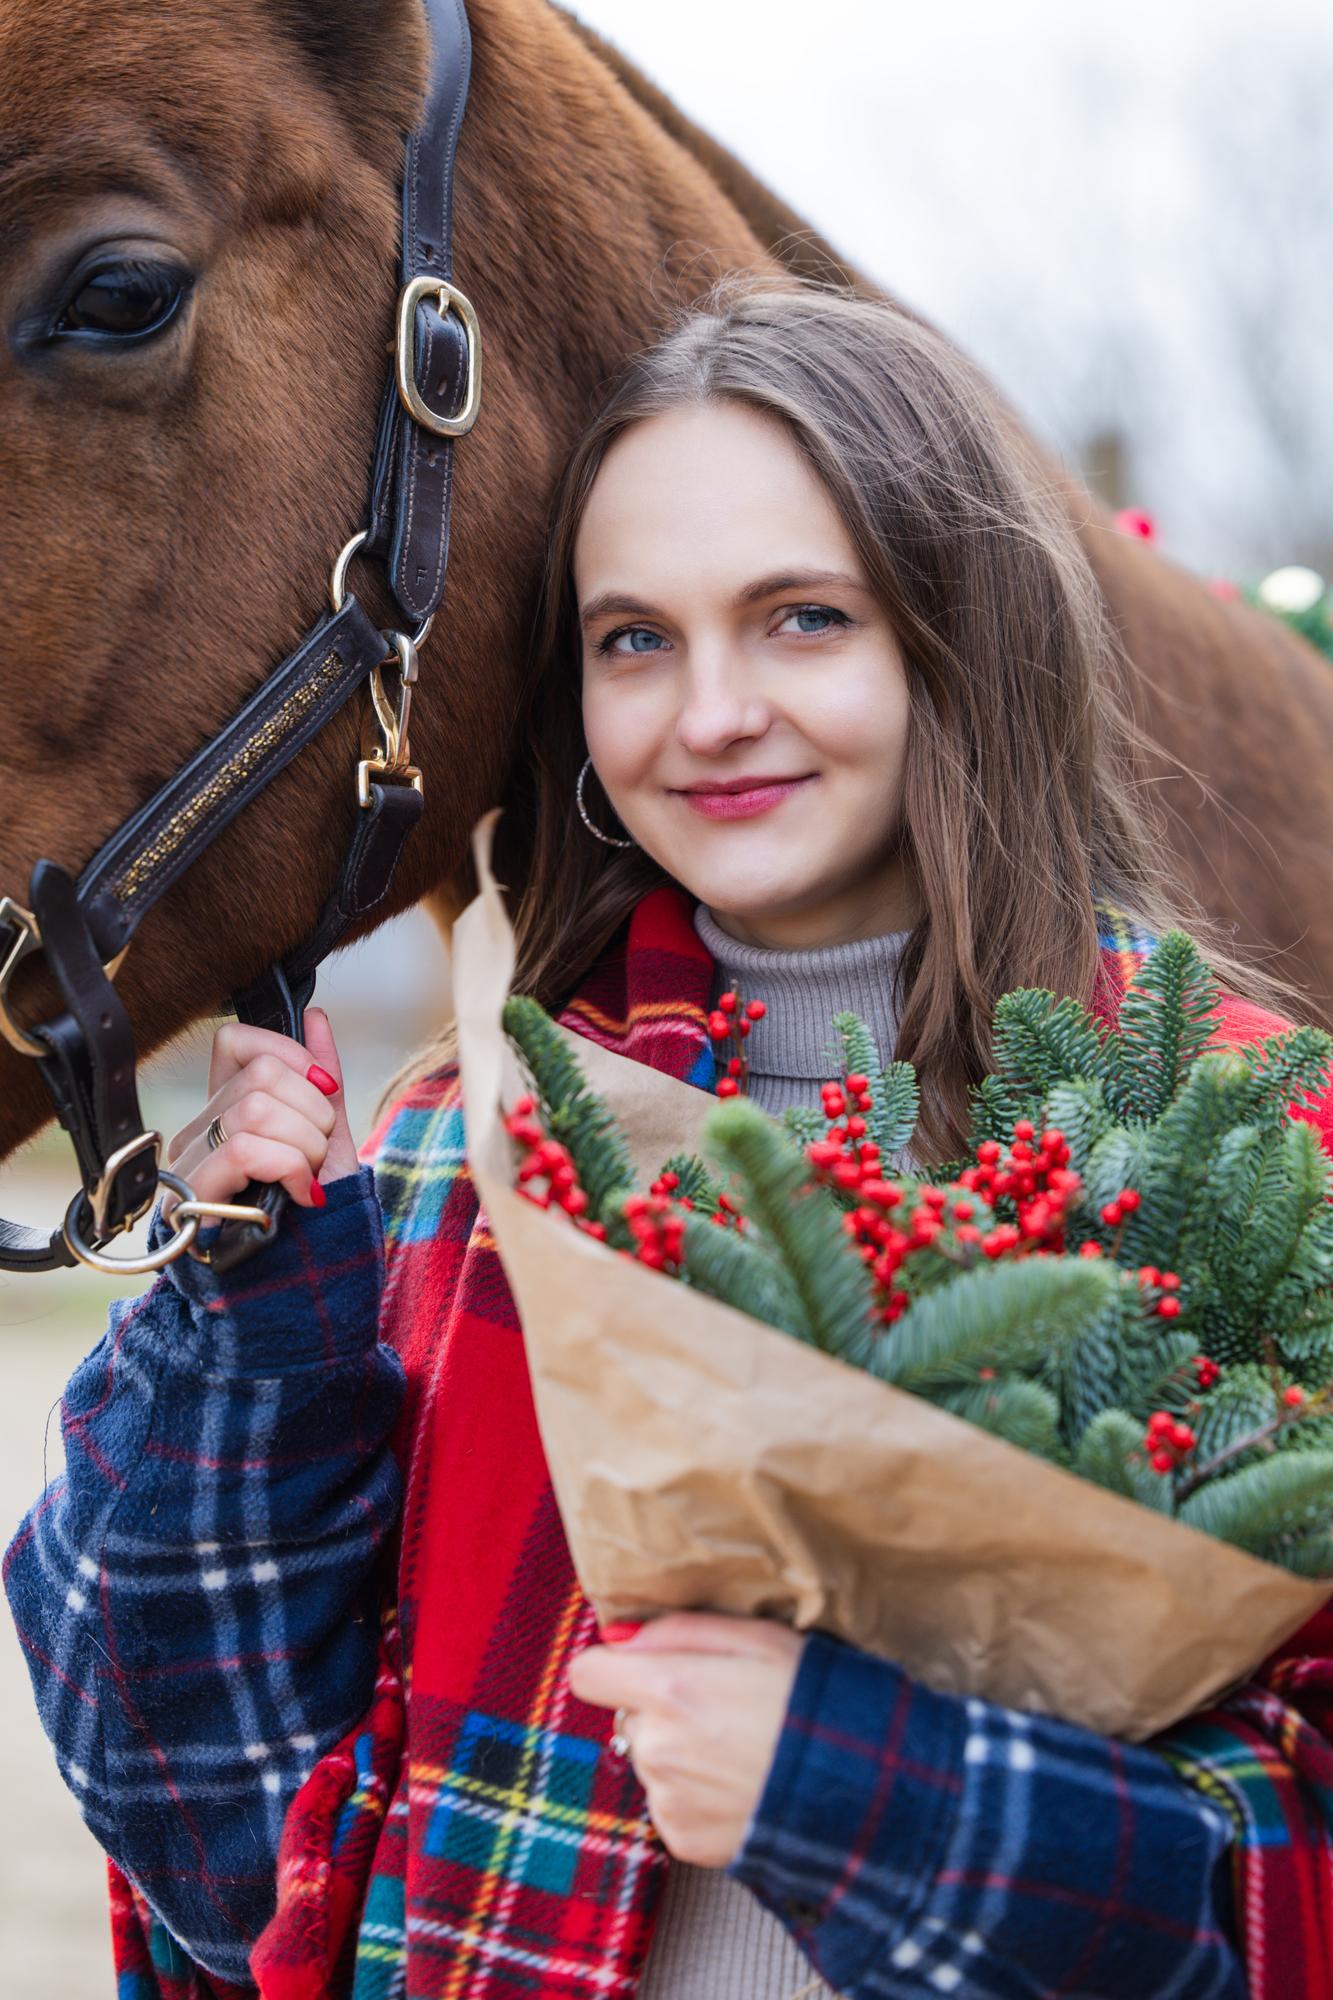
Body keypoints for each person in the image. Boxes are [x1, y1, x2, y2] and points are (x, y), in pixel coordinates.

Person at [9, 281, 1333, 2000]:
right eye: (634, 638)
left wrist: (857, 1790)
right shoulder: (456, 1167)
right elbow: (210, 1846)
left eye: (799, 620)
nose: (706, 714)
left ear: (959, 637)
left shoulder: (1236, 1148)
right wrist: (245, 1335)